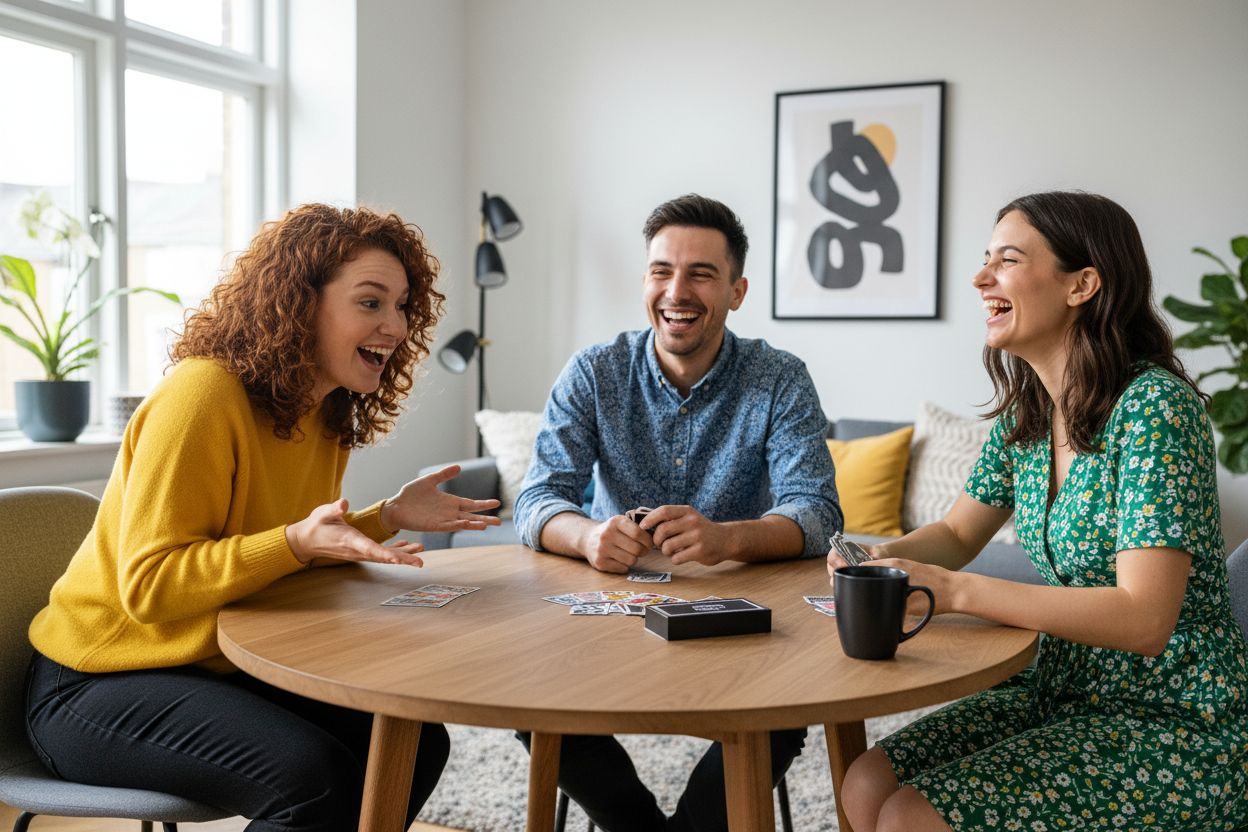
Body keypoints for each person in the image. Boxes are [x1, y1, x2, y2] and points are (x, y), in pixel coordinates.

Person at [25, 204, 503, 832]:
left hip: (213, 663)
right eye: (371, 302)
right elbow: (151, 587)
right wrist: (298, 542)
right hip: (97, 681)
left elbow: (286, 552)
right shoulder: (201, 396)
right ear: (300, 304)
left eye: (404, 306)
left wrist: (387, 516)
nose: (396, 325)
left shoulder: (325, 412)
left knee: (414, 742)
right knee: (313, 778)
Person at [831, 191, 1248, 832]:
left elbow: (1145, 618)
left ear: (1082, 285)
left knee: (911, 815)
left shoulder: (1155, 409)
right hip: (1059, 686)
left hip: (1171, 719)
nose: (980, 278)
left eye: (1007, 260)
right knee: (865, 784)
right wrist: (880, 558)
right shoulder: (1027, 415)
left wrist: (957, 592)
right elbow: (956, 532)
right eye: (985, 259)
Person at [514, 193, 842, 832]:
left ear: (737, 291)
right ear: (645, 281)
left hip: (745, 625)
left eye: (701, 274)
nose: (676, 291)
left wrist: (727, 539)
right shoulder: (594, 371)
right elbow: (537, 500)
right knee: (526, 699)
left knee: (782, 714)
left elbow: (819, 513)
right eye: (661, 271)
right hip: (610, 618)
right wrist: (587, 536)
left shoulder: (780, 378)